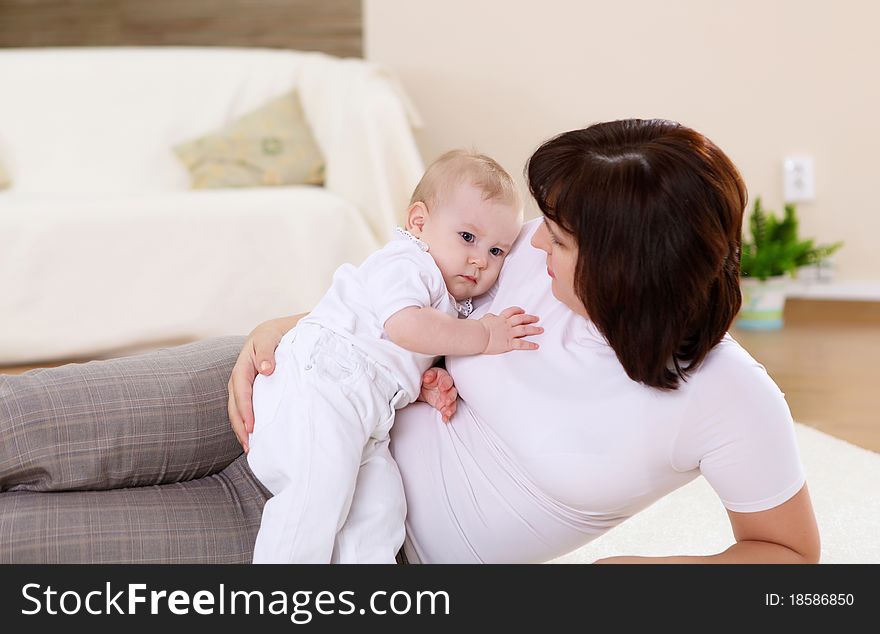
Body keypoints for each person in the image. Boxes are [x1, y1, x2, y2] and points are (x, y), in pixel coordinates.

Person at [229, 119, 821, 563]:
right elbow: (409, 302)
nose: (535, 244)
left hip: (351, 534)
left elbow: (793, 559)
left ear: (622, 271)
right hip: (317, 379)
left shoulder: (730, 398)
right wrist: (291, 325)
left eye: (559, 240)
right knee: (133, 419)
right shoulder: (522, 249)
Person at [246, 150, 540, 563]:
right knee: (317, 492)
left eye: (497, 252)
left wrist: (420, 383)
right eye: (468, 238)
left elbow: (394, 347)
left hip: (367, 411)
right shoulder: (408, 262)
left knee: (380, 512)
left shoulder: (446, 301)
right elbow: (404, 327)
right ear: (419, 223)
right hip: (321, 381)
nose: (480, 260)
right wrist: (483, 335)